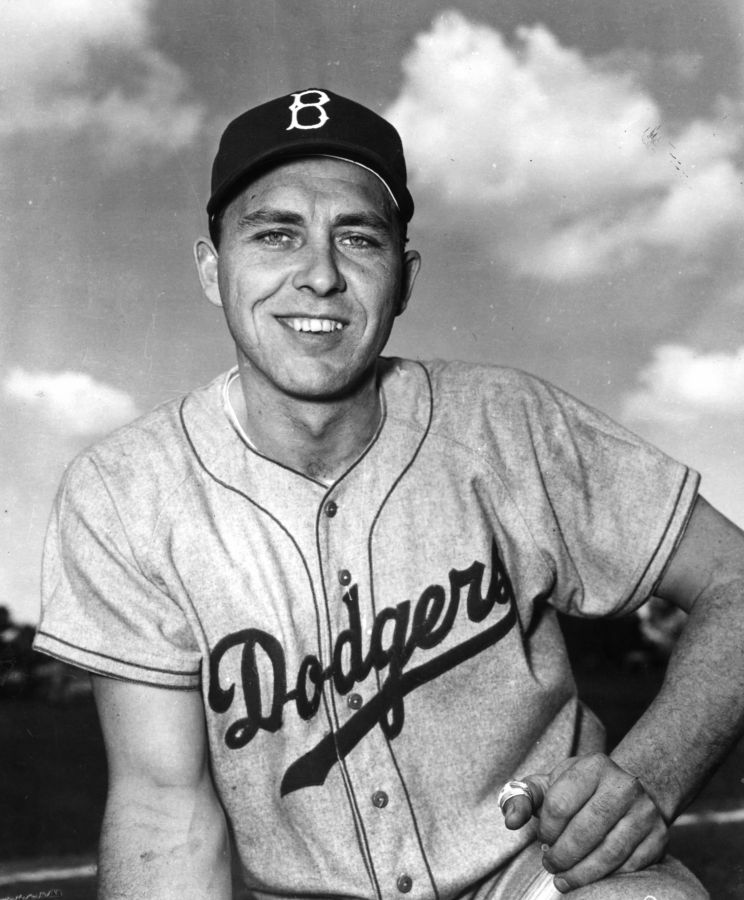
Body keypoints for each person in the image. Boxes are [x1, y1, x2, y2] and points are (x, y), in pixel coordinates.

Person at [34, 88, 744, 900]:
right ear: (211, 268)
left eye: (358, 239)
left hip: (541, 878)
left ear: (403, 279)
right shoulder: (125, 491)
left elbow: (735, 577)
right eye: (275, 235)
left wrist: (652, 774)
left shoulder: (505, 422)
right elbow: (165, 807)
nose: (320, 276)